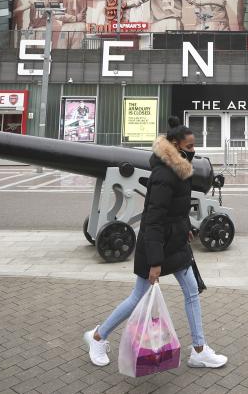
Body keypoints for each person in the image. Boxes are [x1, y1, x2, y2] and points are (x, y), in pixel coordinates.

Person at [84, 117, 227, 370]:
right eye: (190, 146)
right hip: (158, 246)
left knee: (192, 292)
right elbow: (153, 219)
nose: (194, 151)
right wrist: (155, 262)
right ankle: (98, 336)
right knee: (137, 297)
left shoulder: (180, 169)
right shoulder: (164, 174)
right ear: (174, 144)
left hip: (175, 242)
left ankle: (199, 350)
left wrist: (187, 229)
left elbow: (176, 210)